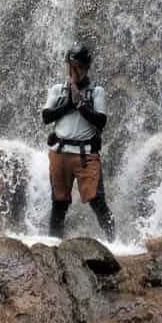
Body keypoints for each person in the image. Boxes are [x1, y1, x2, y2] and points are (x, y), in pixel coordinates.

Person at [42, 42, 115, 241]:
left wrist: (80, 103)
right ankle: (53, 247)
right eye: (72, 67)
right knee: (59, 203)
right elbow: (47, 117)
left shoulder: (96, 91)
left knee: (97, 201)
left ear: (86, 68)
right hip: (60, 152)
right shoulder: (58, 90)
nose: (75, 71)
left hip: (85, 154)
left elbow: (100, 121)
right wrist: (70, 101)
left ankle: (115, 242)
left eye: (80, 67)